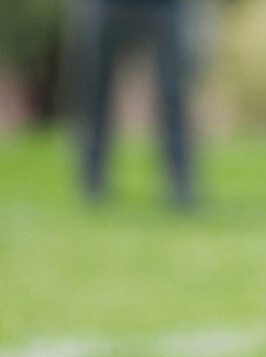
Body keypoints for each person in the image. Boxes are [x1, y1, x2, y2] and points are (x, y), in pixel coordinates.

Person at [72, 0, 194, 205]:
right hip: (108, 6)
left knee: (172, 93)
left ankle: (181, 184)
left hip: (163, 6)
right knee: (95, 88)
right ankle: (92, 182)